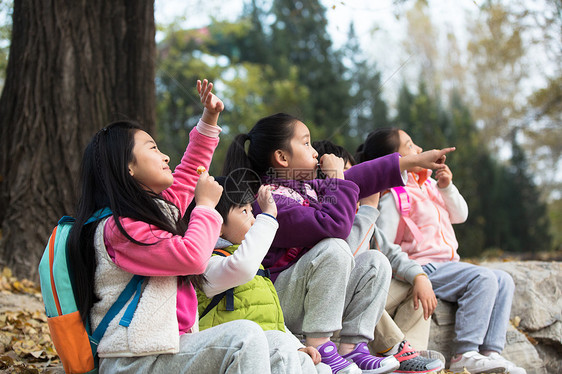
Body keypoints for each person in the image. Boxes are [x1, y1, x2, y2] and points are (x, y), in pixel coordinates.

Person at [66, 80, 281, 373]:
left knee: (274, 344)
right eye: (153, 148)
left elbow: (190, 171)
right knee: (244, 338)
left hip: (166, 350)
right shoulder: (120, 230)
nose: (166, 156)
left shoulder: (155, 211)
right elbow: (192, 257)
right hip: (134, 360)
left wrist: (209, 118)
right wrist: (204, 207)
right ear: (127, 167)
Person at [222, 113, 454, 374]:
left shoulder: (306, 187)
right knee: (334, 247)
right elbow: (334, 226)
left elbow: (359, 175)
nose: (313, 151)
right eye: (306, 143)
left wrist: (411, 162)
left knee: (374, 262)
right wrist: (336, 178)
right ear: (282, 157)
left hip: (309, 294)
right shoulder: (270, 200)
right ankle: (321, 346)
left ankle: (353, 348)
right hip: (283, 300)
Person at [358, 128, 525, 374]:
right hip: (423, 266)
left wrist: (447, 188)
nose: (417, 150)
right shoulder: (395, 195)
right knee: (484, 278)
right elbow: (384, 245)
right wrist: (412, 274)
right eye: (410, 145)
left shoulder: (432, 186)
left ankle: (490, 352)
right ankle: (465, 353)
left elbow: (460, 215)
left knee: (504, 280)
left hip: (448, 265)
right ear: (394, 159)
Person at [314, 140, 444, 374]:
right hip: (329, 311)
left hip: (354, 307)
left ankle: (408, 357)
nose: (356, 189)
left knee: (416, 289)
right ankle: (398, 351)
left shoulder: (356, 213)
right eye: (349, 180)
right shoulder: (324, 216)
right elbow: (348, 259)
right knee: (365, 284)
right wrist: (367, 210)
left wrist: (419, 276)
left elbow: (393, 253)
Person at [194, 173, 330, 374]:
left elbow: (272, 321)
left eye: (252, 210)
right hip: (232, 357)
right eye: (244, 211)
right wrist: (268, 217)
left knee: (320, 368)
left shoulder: (254, 267)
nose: (253, 219)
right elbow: (242, 266)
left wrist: (296, 345)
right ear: (218, 224)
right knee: (284, 350)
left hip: (269, 349)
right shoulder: (207, 264)